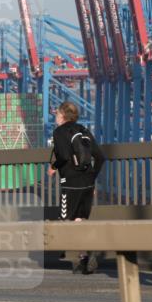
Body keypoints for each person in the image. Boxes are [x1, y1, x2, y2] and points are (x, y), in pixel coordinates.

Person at [48, 102, 105, 274]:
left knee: (65, 221)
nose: (55, 117)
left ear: (63, 115)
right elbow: (100, 157)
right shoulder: (83, 130)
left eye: (57, 114)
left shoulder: (59, 132)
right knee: (79, 220)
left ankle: (87, 249)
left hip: (71, 183)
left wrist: (54, 167)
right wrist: (92, 179)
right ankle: (84, 258)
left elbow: (64, 156)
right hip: (88, 183)